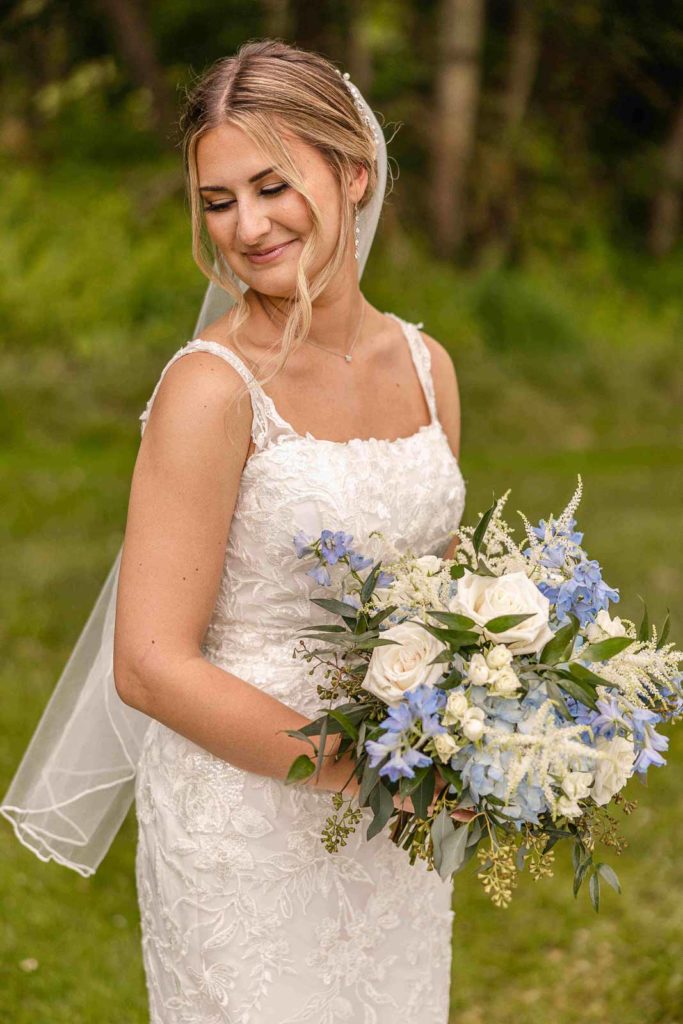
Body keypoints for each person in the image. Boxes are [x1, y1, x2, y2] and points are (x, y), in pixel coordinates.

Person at [2, 38, 468, 1022]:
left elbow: (435, 582)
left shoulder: (427, 367)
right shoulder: (211, 390)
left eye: (271, 186)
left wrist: (495, 690)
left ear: (352, 172)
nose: (246, 226)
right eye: (218, 201)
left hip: (391, 830)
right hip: (247, 826)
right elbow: (148, 665)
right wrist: (372, 772)